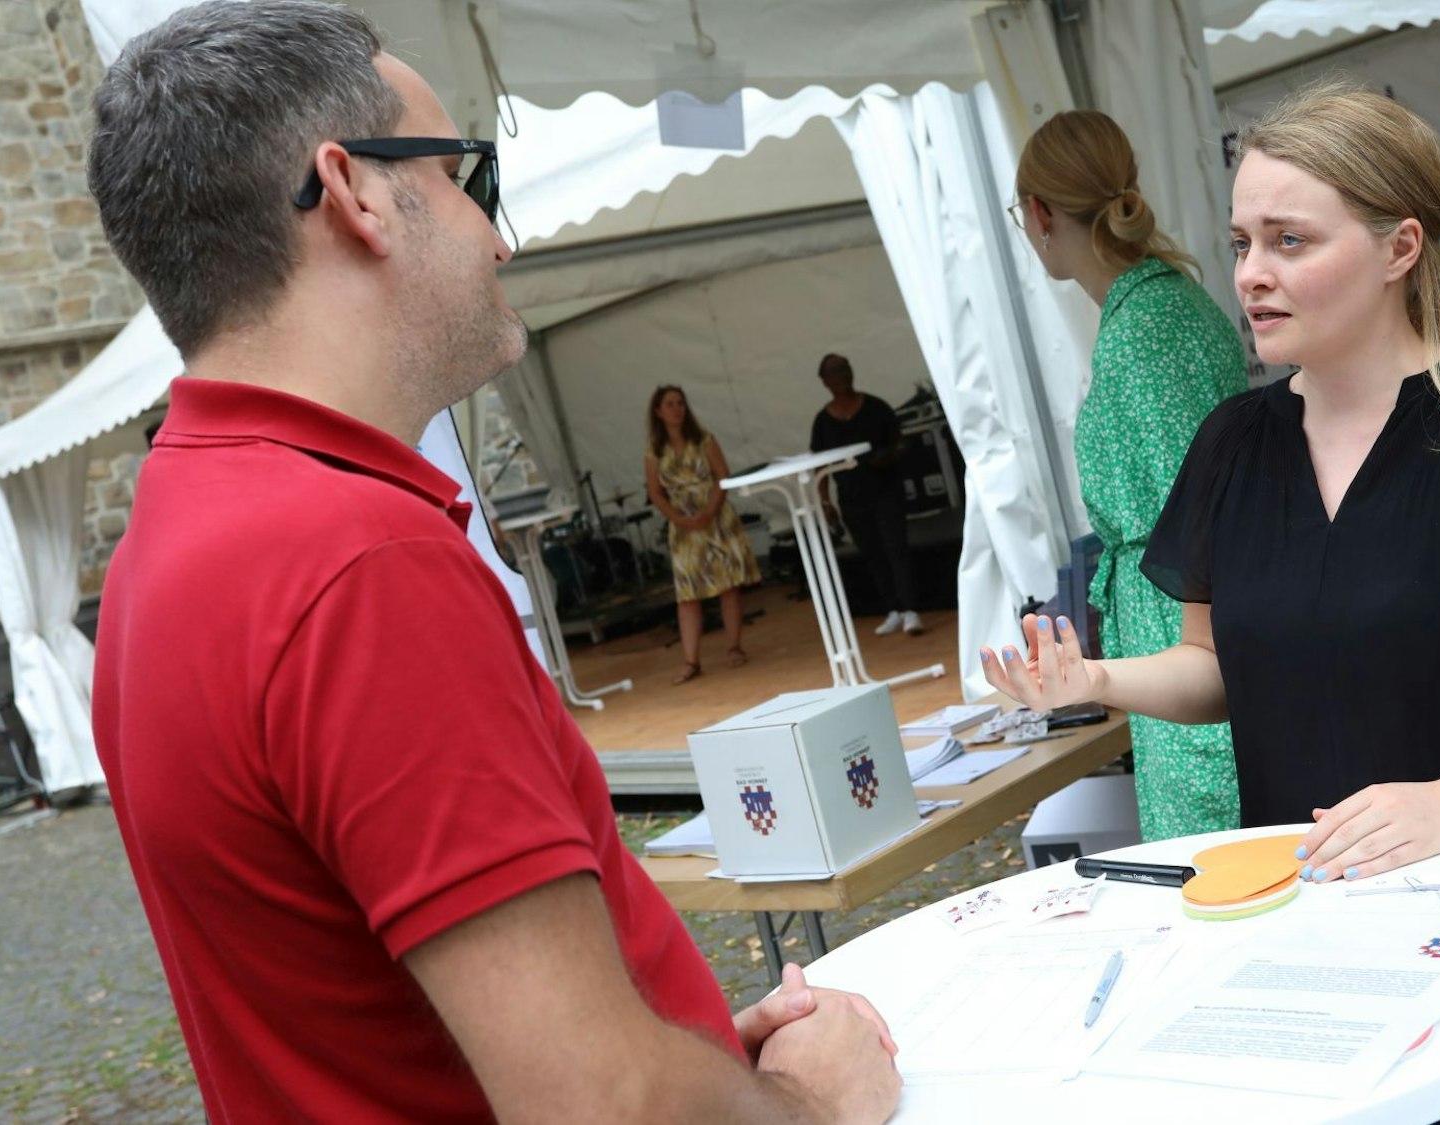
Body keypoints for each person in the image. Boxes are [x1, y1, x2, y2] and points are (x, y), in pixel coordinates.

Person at [86, 3, 900, 1122]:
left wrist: (700, 1070)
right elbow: (597, 1104)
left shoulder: (170, 538)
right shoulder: (355, 560)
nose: (497, 237)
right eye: (470, 176)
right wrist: (809, 1104)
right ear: (358, 190)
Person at [981, 81, 1440, 1123]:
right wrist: (1091, 678)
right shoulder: (1233, 445)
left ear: (1398, 248)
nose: (1251, 275)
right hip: (1329, 957)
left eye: (1288, 242)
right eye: (1239, 242)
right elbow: (1219, 667)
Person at [1011, 110, 1245, 841]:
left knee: (1214, 858)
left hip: (1183, 626)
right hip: (1186, 619)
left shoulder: (1145, 330)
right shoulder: (1165, 305)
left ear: (1040, 213)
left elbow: (1196, 522)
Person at [645, 385, 762, 685]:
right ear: (658, 411)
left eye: (680, 403)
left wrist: (709, 511)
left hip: (715, 515)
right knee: (688, 594)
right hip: (682, 525)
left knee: (727, 585)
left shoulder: (704, 439)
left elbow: (723, 475)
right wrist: (679, 519)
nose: (676, 409)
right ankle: (690, 660)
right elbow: (656, 493)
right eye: (669, 404)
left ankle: (734, 646)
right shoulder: (654, 451)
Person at [810, 353, 923, 636]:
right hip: (851, 498)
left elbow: (900, 443)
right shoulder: (823, 422)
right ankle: (894, 609)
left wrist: (886, 458)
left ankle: (911, 609)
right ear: (825, 382)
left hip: (885, 491)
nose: (841, 378)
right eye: (834, 373)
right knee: (872, 554)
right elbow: (819, 465)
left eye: (844, 370)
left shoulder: (875, 408)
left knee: (896, 548)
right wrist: (824, 500)